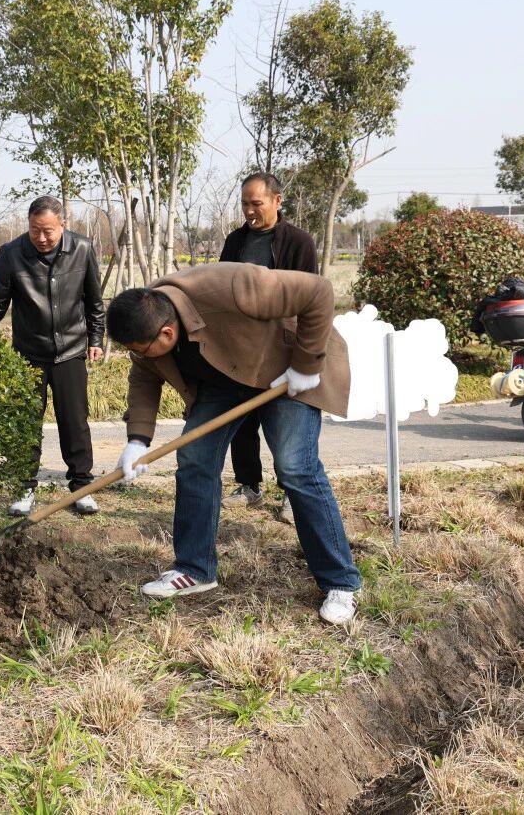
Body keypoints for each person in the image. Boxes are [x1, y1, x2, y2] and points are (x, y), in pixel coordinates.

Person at [106, 262, 361, 625]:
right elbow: (144, 377)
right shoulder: (145, 322)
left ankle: (341, 582)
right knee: (194, 459)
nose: (141, 356)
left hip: (288, 370)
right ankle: (195, 569)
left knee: (295, 468)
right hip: (225, 381)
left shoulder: (231, 287)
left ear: (166, 332)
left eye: (144, 349)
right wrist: (137, 440)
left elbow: (317, 291)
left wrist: (306, 365)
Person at [0, 196, 106, 516]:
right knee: (25, 423)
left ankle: (82, 486)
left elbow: (94, 302)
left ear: (62, 224)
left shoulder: (82, 249)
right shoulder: (12, 254)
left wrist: (96, 338)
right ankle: (24, 487)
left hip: (71, 351)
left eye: (48, 230)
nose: (42, 238)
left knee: (74, 422)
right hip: (28, 354)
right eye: (35, 230)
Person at [219, 172, 318, 523]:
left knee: (285, 424)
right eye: (245, 203)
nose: (249, 211)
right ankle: (249, 485)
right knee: (242, 421)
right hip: (242, 346)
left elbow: (308, 298)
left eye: (256, 204)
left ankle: (292, 492)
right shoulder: (235, 241)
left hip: (282, 347)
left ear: (277, 201)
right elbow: (223, 287)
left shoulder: (298, 242)